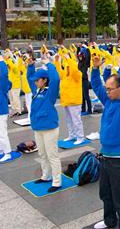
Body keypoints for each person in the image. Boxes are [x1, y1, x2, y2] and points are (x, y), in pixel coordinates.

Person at [91, 55, 120, 229]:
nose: (107, 91)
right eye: (107, 89)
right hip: (105, 156)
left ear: (119, 88)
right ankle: (109, 221)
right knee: (105, 194)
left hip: (119, 160)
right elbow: (96, 85)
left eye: (110, 88)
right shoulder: (109, 100)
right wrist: (96, 69)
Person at [27, 54, 62, 193]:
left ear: (44, 80)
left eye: (37, 80)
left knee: (52, 155)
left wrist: (49, 64)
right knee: (42, 153)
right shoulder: (37, 91)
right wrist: (30, 65)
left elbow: (56, 78)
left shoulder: (50, 92)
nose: (35, 82)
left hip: (49, 127)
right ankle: (46, 175)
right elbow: (29, 79)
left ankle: (57, 181)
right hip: (38, 127)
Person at [54, 50, 85, 145]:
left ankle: (80, 137)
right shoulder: (65, 75)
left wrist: (69, 59)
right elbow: (59, 72)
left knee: (76, 120)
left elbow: (74, 69)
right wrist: (57, 61)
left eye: (68, 67)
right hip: (67, 100)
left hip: (74, 101)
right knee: (68, 120)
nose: (66, 68)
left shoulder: (77, 74)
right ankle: (72, 135)